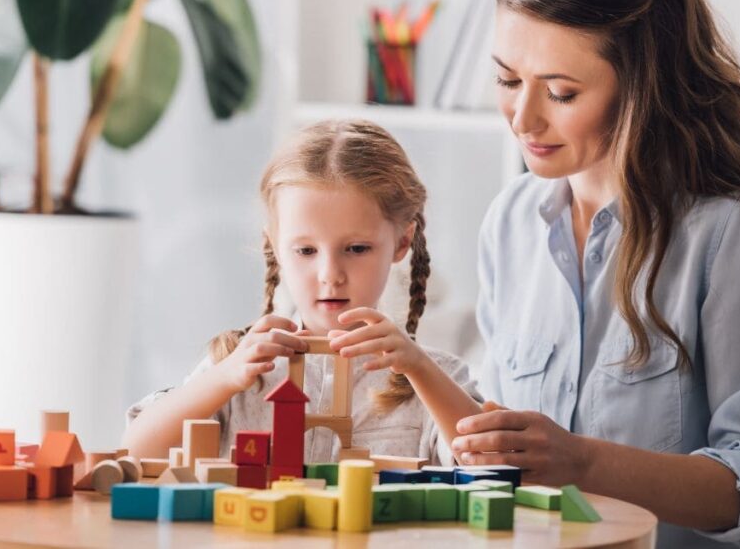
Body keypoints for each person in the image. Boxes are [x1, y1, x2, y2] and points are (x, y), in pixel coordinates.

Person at [450, 0, 740, 547]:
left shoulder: (726, 236)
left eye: (560, 92)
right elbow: (505, 454)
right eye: (507, 80)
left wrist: (583, 463)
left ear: (640, 85)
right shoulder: (510, 223)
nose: (522, 117)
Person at [122, 119, 482, 465]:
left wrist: (418, 367)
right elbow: (136, 452)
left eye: (356, 249)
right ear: (275, 246)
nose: (330, 275)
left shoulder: (435, 377)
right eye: (306, 251)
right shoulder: (238, 365)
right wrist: (226, 378)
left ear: (402, 242)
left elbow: (487, 462)